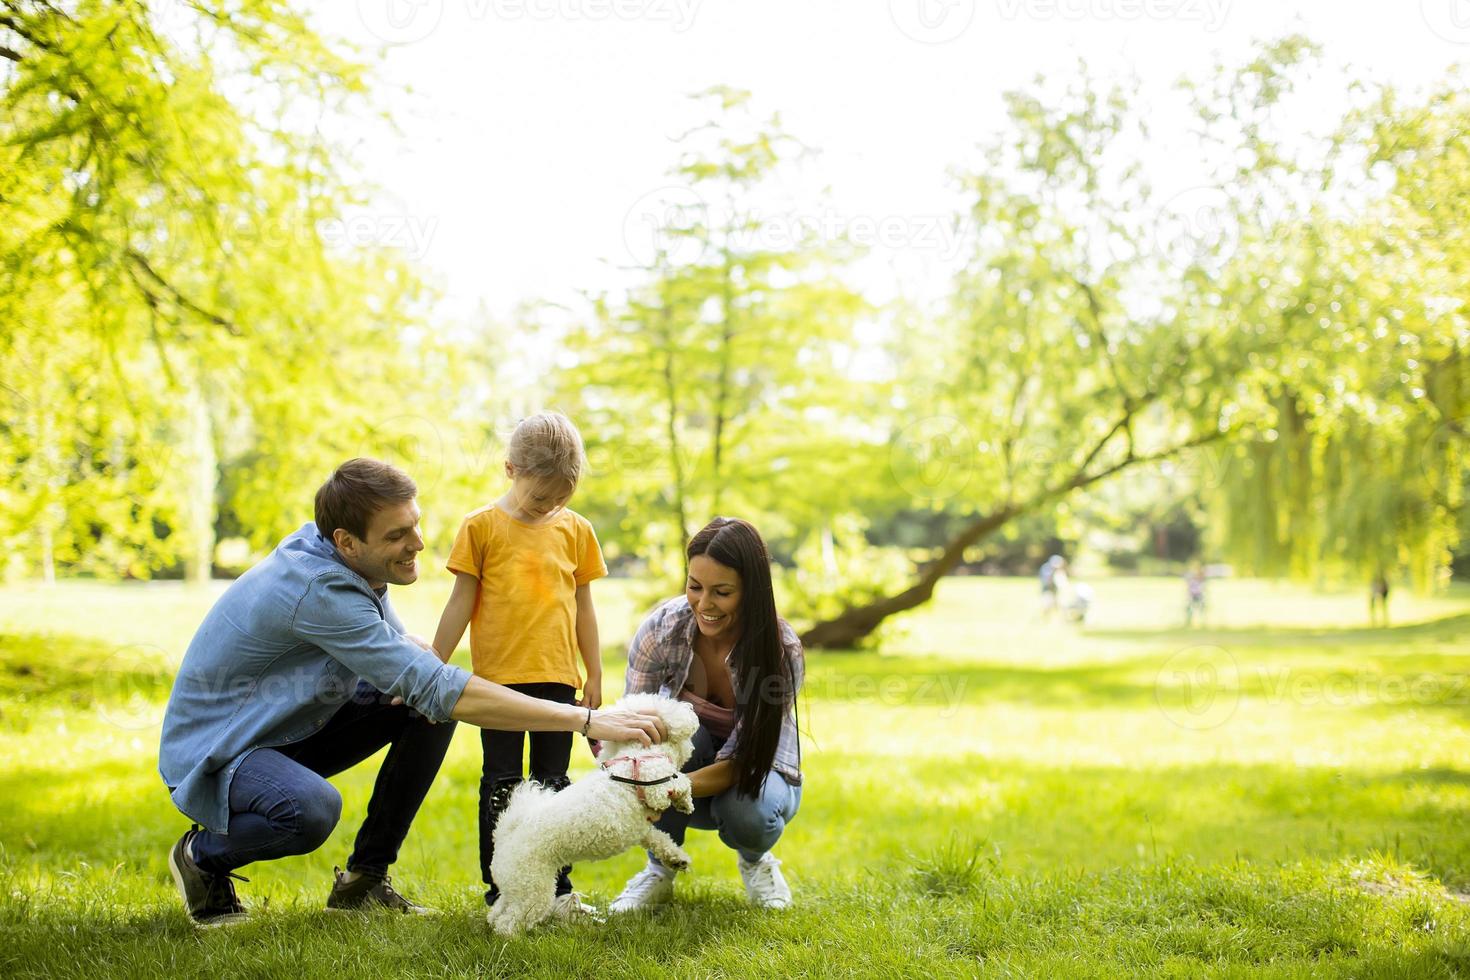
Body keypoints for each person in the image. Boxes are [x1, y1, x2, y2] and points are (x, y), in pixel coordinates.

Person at [157, 458, 664, 927]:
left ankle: (364, 881)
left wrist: (418, 662)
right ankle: (201, 858)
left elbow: (406, 657)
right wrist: (587, 720)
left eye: (415, 524)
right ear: (347, 541)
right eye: (398, 535)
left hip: (281, 725)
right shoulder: (318, 589)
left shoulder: (341, 556)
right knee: (310, 810)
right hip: (219, 750)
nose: (419, 543)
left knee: (427, 710)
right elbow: (436, 683)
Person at [431, 412, 606, 923]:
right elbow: (459, 603)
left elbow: (585, 607)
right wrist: (430, 670)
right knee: (502, 784)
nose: (550, 507)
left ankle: (557, 891)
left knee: (554, 784)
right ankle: (501, 890)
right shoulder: (480, 527)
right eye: (539, 497)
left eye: (561, 498)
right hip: (498, 684)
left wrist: (592, 673)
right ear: (510, 470)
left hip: (558, 679)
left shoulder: (577, 531)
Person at [609, 517, 804, 913]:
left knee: (746, 814)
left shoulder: (779, 649)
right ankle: (659, 870)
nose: (704, 604)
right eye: (695, 586)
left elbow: (744, 763)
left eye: (723, 592)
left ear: (752, 592)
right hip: (684, 768)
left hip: (751, 779)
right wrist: (635, 771)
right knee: (662, 735)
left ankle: (756, 861)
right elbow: (630, 724)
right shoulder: (662, 629)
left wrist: (662, 785)